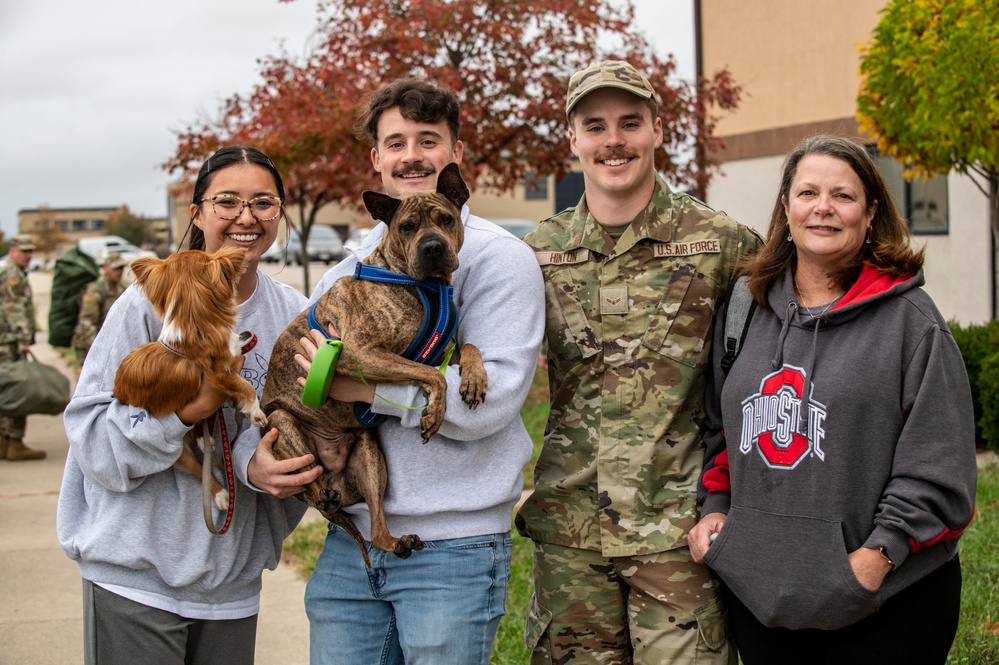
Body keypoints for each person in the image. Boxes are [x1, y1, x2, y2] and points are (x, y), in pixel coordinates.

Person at [688, 135, 978, 664]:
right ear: (786, 208)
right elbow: (720, 429)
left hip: (887, 601)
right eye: (808, 193)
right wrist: (717, 507)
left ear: (871, 215)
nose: (823, 208)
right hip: (762, 598)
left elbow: (939, 463)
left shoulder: (911, 322)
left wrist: (878, 555)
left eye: (843, 196)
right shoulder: (744, 311)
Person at [514, 60, 763, 663]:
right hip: (570, 531)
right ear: (573, 138)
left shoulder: (722, 243)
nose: (614, 141)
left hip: (679, 528)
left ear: (657, 129)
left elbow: (799, 327)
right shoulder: (536, 254)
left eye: (630, 123)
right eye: (595, 126)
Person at [298, 78, 545, 665]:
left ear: (456, 155)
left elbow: (491, 401)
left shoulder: (499, 258)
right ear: (377, 159)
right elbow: (310, 388)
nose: (412, 154)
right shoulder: (349, 272)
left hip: (453, 548)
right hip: (353, 540)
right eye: (396, 141)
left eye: (428, 139)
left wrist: (362, 385)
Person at [56, 145, 323, 665]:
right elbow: (91, 437)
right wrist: (183, 413)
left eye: (264, 202)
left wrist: (258, 465)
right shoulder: (149, 300)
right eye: (227, 200)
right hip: (136, 581)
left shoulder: (293, 312)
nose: (246, 216)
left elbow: (302, 422)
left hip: (232, 585)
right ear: (197, 213)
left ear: (280, 215)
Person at [0, 234, 46, 461]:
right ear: (13, 250)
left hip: (5, 340)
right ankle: (15, 442)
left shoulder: (8, 270)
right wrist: (23, 338)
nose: (29, 255)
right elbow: (14, 308)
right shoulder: (12, 274)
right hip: (9, 342)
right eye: (24, 251)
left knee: (6, 389)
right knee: (18, 390)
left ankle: (4, 442)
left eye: (31, 251)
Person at [71, 251, 127, 366]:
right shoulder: (95, 290)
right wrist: (99, 349)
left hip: (109, 344)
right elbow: (87, 322)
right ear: (106, 268)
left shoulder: (122, 290)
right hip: (88, 344)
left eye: (121, 268)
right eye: (115, 268)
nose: (119, 272)